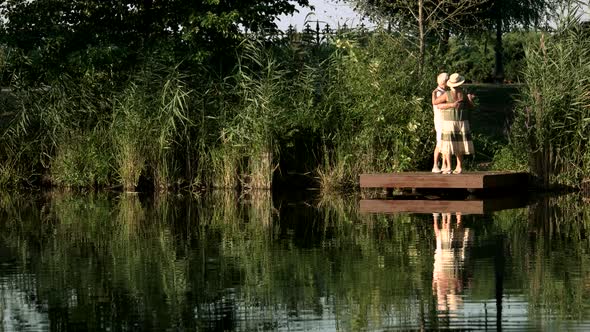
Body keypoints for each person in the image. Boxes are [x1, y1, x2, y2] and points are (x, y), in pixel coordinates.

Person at [433, 73, 475, 174]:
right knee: (459, 144)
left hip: (449, 122)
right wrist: (469, 99)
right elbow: (471, 107)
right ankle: (459, 167)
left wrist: (433, 94)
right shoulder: (463, 94)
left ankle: (448, 167)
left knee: (447, 144)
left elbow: (435, 103)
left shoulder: (447, 94)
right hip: (461, 122)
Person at [431, 73, 449, 173]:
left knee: (445, 143)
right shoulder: (438, 92)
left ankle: (444, 165)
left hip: (444, 120)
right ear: (444, 82)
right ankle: (435, 165)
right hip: (440, 121)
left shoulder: (443, 91)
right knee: (440, 142)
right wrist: (452, 105)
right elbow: (439, 105)